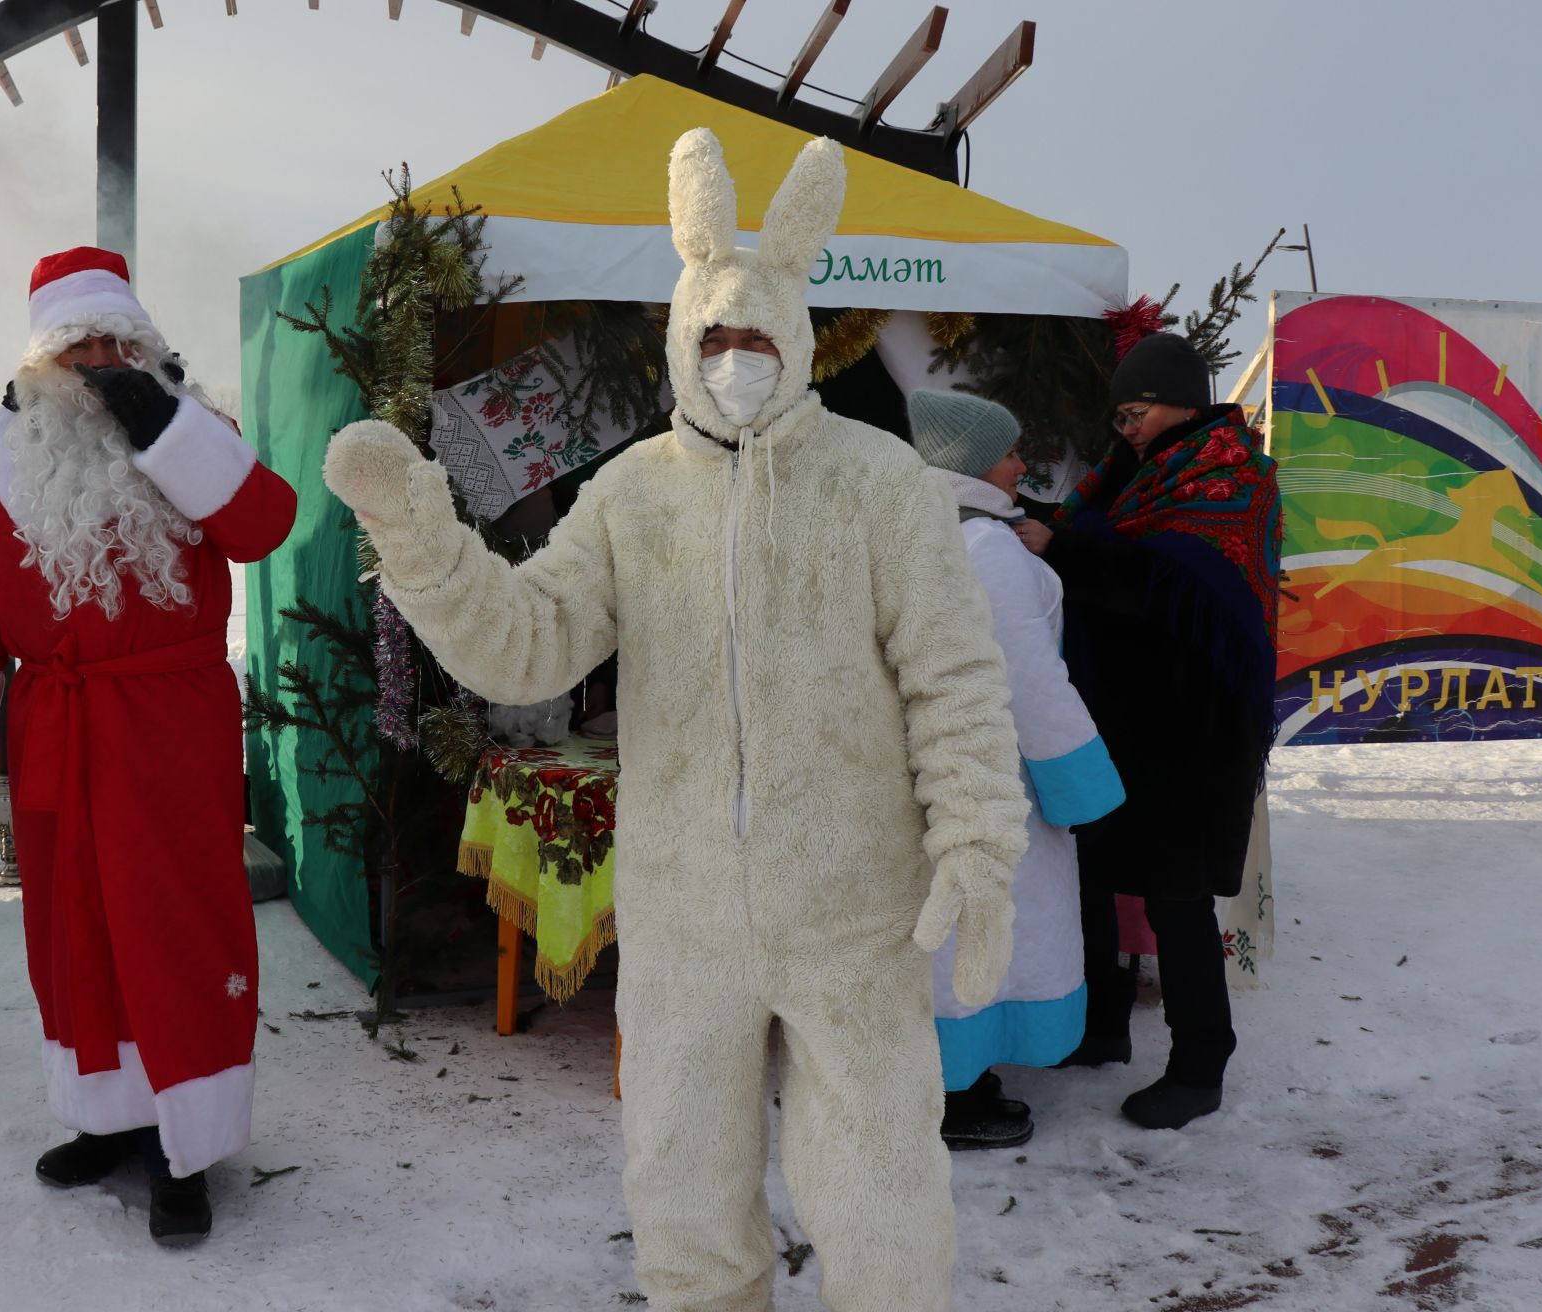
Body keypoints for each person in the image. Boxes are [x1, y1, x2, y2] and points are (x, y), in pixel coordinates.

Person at [323, 130, 1029, 1312]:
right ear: (681, 336)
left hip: (854, 906)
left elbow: (953, 679)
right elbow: (528, 638)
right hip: (684, 915)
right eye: (718, 335)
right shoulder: (631, 491)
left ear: (800, 339)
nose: (738, 358)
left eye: (761, 337)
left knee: (882, 1192)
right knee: (683, 1195)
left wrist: (978, 843)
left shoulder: (877, 484)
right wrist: (424, 544)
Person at [0, 246, 296, 1243]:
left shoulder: (192, 432)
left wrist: (164, 427)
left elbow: (264, 522)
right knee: (75, 929)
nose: (94, 360)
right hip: (56, 731)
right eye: (73, 347)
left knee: (176, 927)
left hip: (168, 727)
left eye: (112, 341)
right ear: (41, 362)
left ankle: (186, 1147)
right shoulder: (5, 451)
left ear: (145, 346)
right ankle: (109, 1116)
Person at [1019, 332, 1281, 1130]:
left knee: (1176, 901)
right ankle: (1100, 1029)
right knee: (1092, 873)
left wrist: (1064, 548)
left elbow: (1164, 584)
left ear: (1181, 401)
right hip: (1131, 722)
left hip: (1194, 736)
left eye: (1136, 412)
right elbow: (1100, 535)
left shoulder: (1228, 476)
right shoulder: (1143, 472)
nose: (1125, 428)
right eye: (1121, 415)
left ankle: (1201, 1065)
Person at [907, 390, 1127, 1151]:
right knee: (979, 932)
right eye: (1009, 451)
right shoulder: (988, 550)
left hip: (916, 777)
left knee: (924, 931)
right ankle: (955, 1094)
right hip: (990, 783)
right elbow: (1026, 679)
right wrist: (1081, 783)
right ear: (973, 461)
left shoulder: (900, 530)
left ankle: (917, 1076)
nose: (1022, 464)